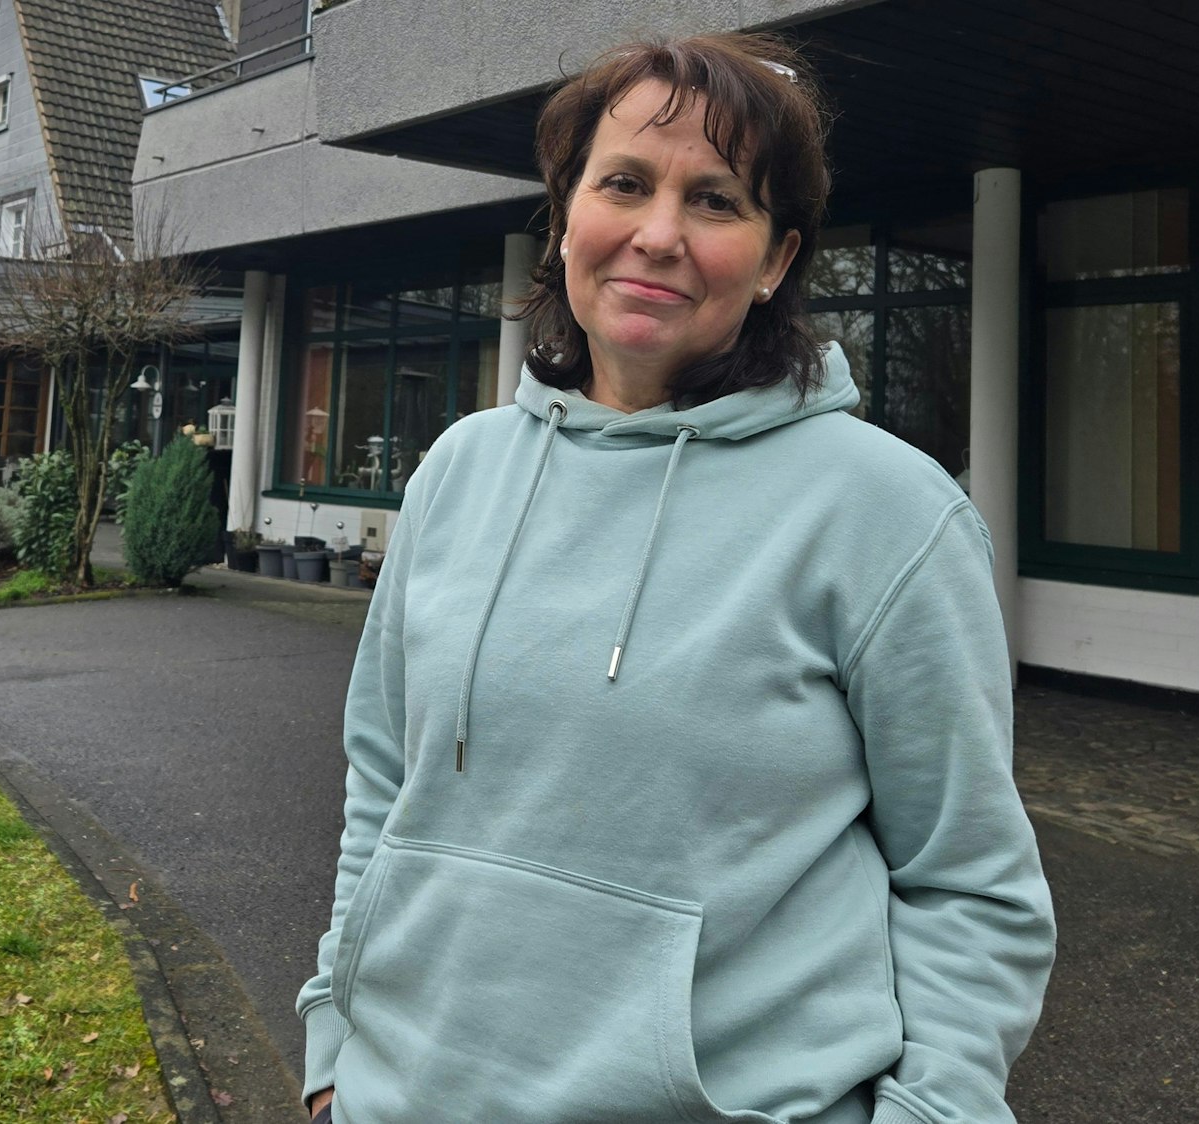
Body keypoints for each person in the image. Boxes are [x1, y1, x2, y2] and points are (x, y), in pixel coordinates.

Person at [296, 32, 1055, 1124]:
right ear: (562, 219)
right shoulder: (458, 471)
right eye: (625, 183)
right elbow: (382, 781)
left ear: (778, 257)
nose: (658, 235)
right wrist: (334, 1039)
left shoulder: (887, 513)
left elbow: (969, 883)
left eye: (715, 200)